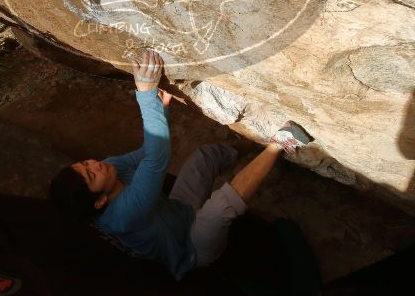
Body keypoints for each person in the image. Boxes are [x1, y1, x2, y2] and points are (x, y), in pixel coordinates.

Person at [49, 49, 309, 280]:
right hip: (192, 247)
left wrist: (159, 112)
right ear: (100, 202)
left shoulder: (108, 169)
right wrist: (146, 94)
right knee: (217, 209)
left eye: (85, 163)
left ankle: (253, 144)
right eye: (90, 174)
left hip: (179, 211)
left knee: (204, 156)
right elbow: (156, 158)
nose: (95, 164)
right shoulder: (126, 215)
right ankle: (280, 143)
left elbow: (145, 153)